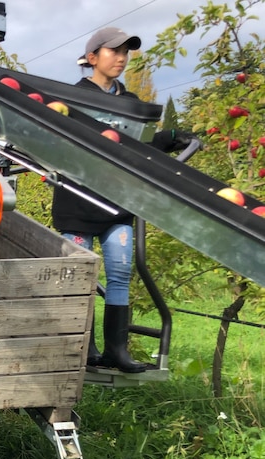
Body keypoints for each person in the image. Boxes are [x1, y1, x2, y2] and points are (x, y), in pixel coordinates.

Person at [55, 27, 191, 373]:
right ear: (91, 58)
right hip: (77, 201)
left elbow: (134, 147)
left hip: (117, 203)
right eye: (113, 51)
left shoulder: (131, 104)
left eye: (125, 52)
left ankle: (117, 350)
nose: (120, 58)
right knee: (80, 277)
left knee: (119, 271)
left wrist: (167, 138)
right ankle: (82, 348)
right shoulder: (72, 98)